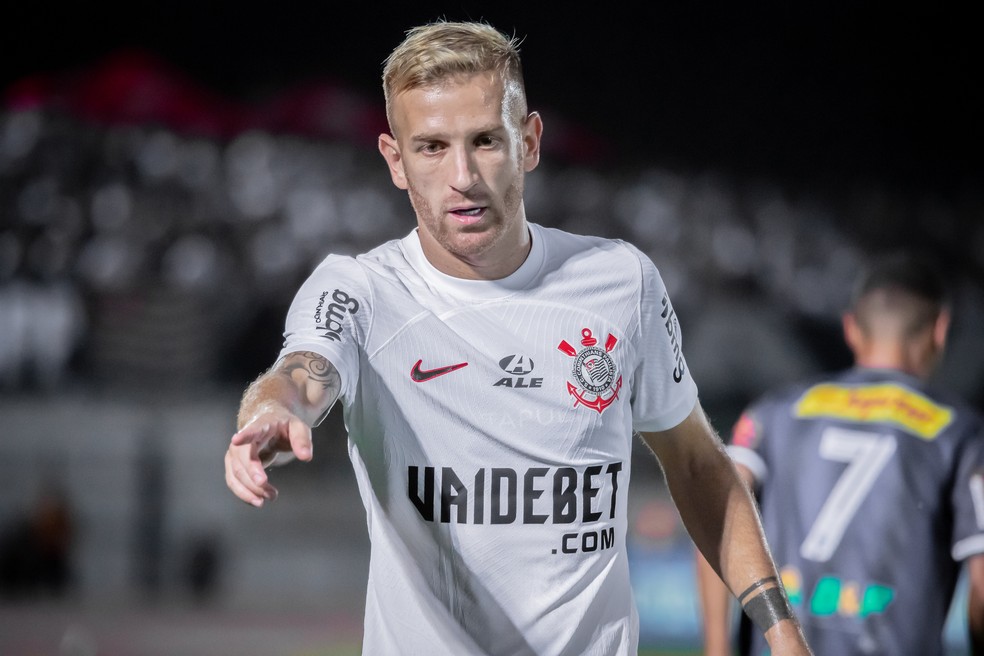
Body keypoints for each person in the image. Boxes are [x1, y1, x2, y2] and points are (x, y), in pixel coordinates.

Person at [224, 20, 811, 655]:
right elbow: (303, 372)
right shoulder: (361, 290)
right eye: (431, 147)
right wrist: (273, 413)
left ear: (528, 142)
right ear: (394, 161)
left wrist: (781, 632)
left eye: (484, 141)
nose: (463, 175)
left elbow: (698, 463)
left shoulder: (621, 282)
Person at [696, 252, 984, 656]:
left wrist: (716, 646)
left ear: (851, 329)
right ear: (940, 330)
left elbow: (714, 508)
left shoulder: (775, 411)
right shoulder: (961, 432)